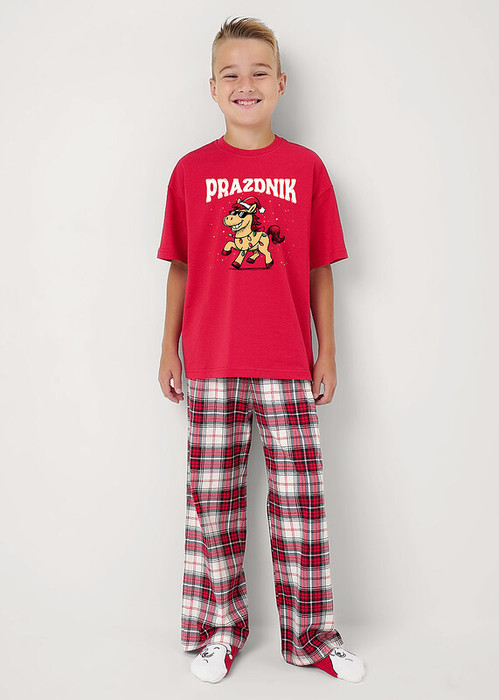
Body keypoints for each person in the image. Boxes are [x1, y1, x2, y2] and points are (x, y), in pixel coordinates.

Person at [157, 16, 366, 685]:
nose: (244, 84)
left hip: (286, 363)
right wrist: (168, 347)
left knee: (300, 506)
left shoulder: (306, 168)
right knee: (212, 505)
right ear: (212, 87)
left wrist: (326, 352)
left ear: (280, 83)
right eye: (230, 74)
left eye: (258, 72)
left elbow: (319, 268)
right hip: (211, 361)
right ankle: (219, 630)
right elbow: (181, 267)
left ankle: (310, 637)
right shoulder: (190, 172)